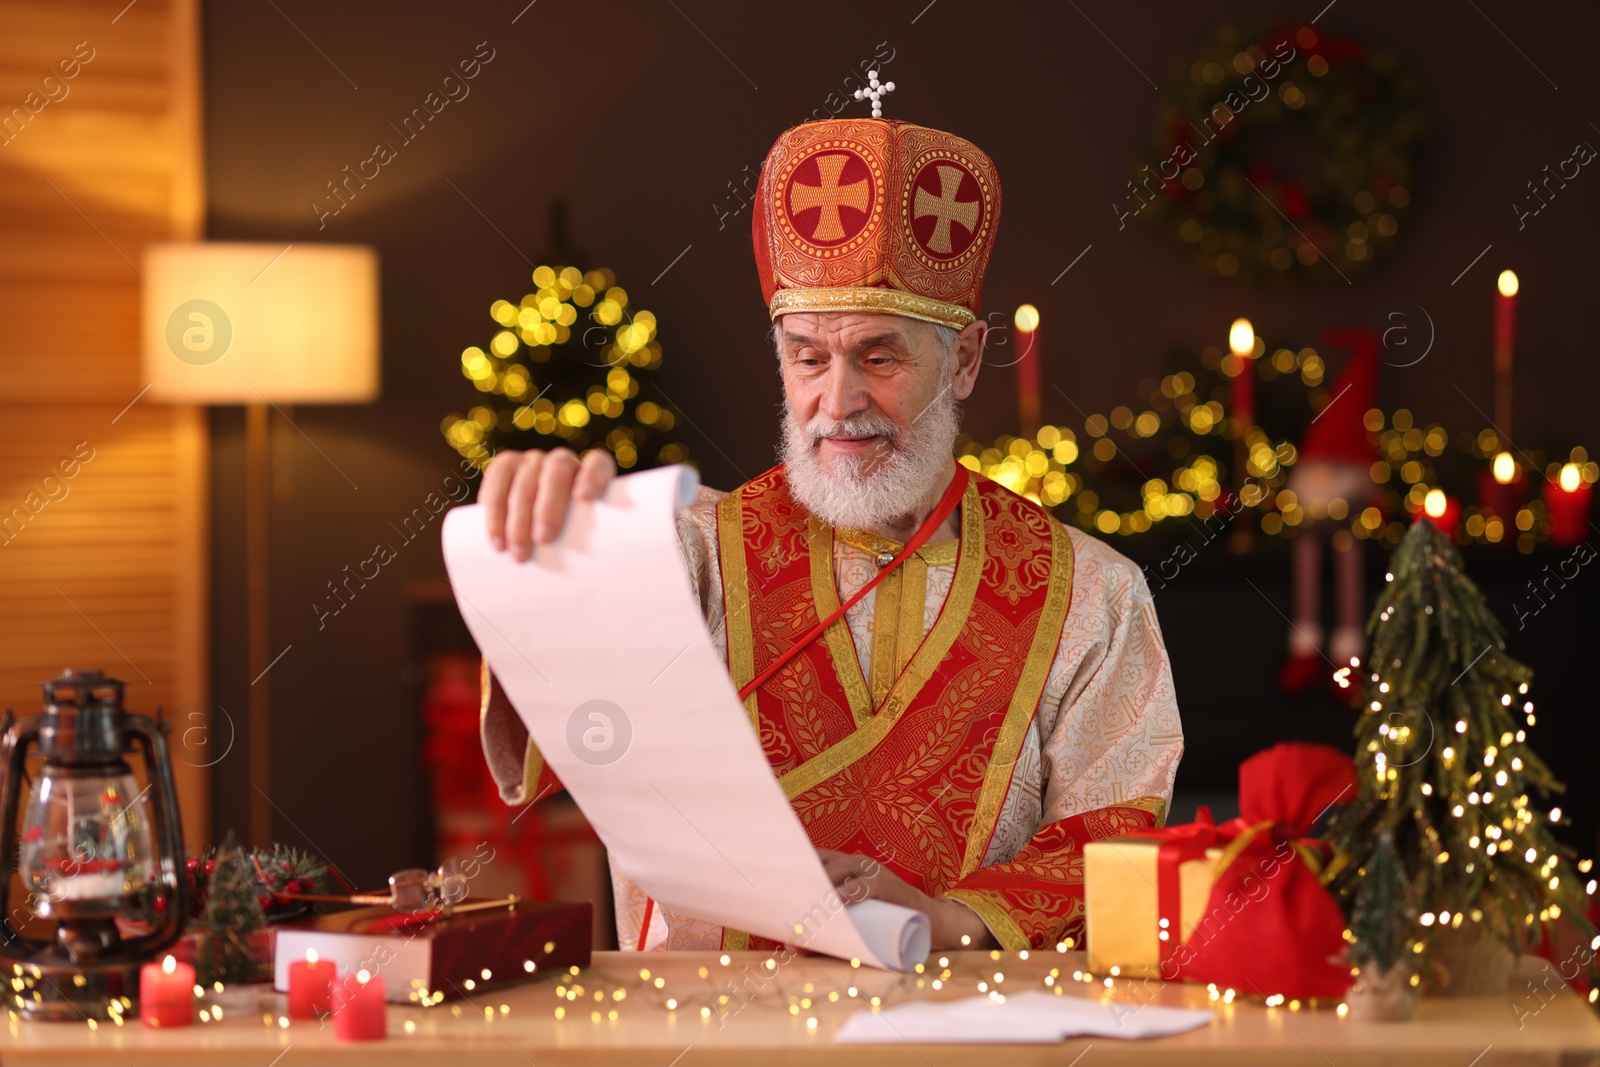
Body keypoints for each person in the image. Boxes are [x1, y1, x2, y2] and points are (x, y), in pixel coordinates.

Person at [476, 111, 1183, 954]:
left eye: (879, 358)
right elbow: (566, 728)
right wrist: (541, 554)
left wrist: (940, 919)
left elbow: (1113, 843)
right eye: (808, 357)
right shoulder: (684, 553)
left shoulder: (1091, 591)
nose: (838, 401)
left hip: (969, 1032)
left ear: (961, 361)